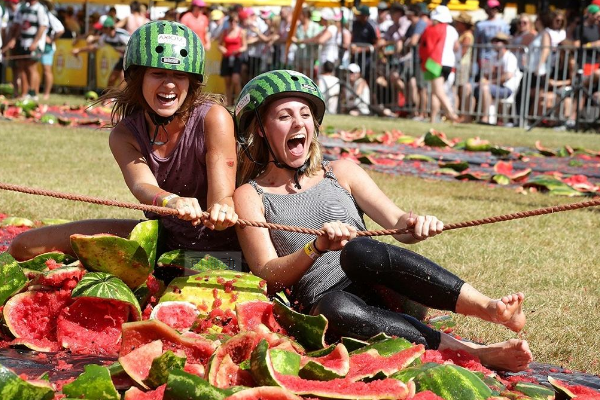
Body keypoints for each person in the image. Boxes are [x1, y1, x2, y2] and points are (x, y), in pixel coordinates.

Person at [232, 70, 533, 372]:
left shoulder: (341, 171)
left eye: (305, 114)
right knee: (333, 307)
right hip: (333, 310)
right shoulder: (251, 195)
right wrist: (317, 247)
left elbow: (398, 222)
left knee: (357, 250)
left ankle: (489, 308)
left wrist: (415, 223)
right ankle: (473, 353)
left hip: (388, 290)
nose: (299, 123)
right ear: (260, 128)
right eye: (284, 116)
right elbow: (268, 274)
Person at [9, 21, 239, 261]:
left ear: (191, 82)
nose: (169, 84)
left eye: (179, 75)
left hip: (220, 249)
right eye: (158, 73)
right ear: (137, 78)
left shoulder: (214, 118)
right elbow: (142, 186)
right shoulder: (124, 134)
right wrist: (171, 200)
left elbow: (222, 198)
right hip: (162, 239)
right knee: (25, 245)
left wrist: (222, 213)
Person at [419, 5, 460, 123]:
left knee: (437, 90)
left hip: (436, 62)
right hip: (449, 63)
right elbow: (456, 47)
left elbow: (425, 46)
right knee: (436, 90)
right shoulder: (452, 30)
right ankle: (433, 119)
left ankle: (451, 113)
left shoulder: (432, 29)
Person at [5, 0, 48, 98]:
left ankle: (33, 93)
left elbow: (43, 26)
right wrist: (14, 39)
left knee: (31, 67)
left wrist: (35, 42)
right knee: (22, 67)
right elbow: (20, 26)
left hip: (33, 44)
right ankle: (24, 93)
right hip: (23, 43)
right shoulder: (24, 8)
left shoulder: (40, 8)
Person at [474, 33, 521, 124]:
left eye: (497, 41)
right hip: (494, 86)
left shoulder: (509, 57)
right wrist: (483, 79)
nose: (494, 43)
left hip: (507, 89)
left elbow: (508, 76)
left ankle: (485, 118)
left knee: (485, 88)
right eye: (493, 41)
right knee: (468, 87)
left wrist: (490, 82)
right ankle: (467, 117)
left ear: (504, 43)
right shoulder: (493, 58)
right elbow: (487, 74)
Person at [72, 17, 130, 89]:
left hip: (131, 58)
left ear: (108, 28)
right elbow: (95, 47)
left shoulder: (121, 35)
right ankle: (109, 99)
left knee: (123, 78)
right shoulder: (105, 37)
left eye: (102, 28)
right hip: (123, 58)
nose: (100, 30)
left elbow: (134, 46)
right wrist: (79, 50)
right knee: (111, 80)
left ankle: (122, 99)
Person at [218, 12, 246, 105]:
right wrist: (223, 50)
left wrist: (238, 50)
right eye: (232, 21)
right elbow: (219, 44)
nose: (234, 23)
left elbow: (244, 46)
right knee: (228, 82)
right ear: (229, 22)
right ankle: (229, 103)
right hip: (227, 58)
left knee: (236, 80)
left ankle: (240, 102)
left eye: (236, 21)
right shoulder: (225, 31)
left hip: (236, 58)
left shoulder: (241, 31)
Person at [41, 0, 64, 100]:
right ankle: (34, 92)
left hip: (47, 47)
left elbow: (60, 29)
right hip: (38, 46)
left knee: (47, 71)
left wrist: (51, 39)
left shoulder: (49, 16)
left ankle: (47, 94)